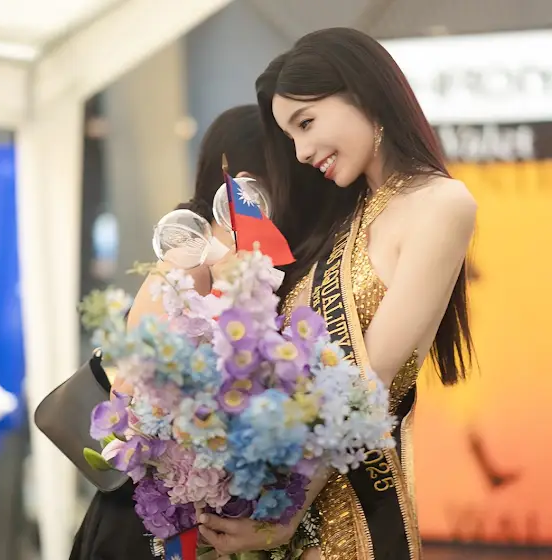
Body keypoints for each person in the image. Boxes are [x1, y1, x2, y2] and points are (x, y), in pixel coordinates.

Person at [195, 28, 477, 560]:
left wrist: (286, 513)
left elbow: (371, 381)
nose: (301, 152)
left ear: (363, 94)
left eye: (306, 123)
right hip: (283, 519)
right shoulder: (341, 219)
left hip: (353, 525)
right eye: (290, 137)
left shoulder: (441, 204)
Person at [70, 104, 270, 560]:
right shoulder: (193, 260)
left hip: (187, 505)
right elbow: (137, 390)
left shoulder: (235, 259)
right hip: (155, 515)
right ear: (247, 181)